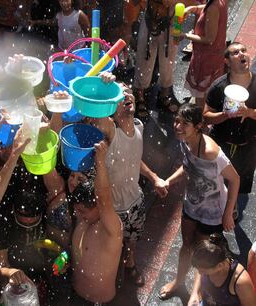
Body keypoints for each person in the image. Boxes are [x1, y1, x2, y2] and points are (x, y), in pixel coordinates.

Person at [90, 80, 168, 287]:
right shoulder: (110, 130)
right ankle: (111, 273)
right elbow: (95, 115)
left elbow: (135, 158)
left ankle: (130, 263)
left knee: (132, 242)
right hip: (110, 209)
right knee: (110, 246)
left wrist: (154, 178)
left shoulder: (139, 126)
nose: (126, 98)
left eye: (128, 94)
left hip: (135, 202)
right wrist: (103, 86)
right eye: (119, 96)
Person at [159, 103, 240, 300]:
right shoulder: (184, 140)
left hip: (213, 212)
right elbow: (188, 166)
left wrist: (228, 213)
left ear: (198, 126)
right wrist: (169, 180)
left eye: (185, 123)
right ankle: (178, 282)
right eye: (177, 121)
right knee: (186, 244)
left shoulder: (211, 152)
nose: (178, 127)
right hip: (192, 204)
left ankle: (197, 292)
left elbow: (235, 179)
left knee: (203, 253)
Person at [69, 141, 123, 305]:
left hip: (99, 302)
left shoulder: (112, 229)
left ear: (97, 207)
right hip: (76, 295)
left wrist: (100, 160)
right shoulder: (84, 217)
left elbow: (104, 198)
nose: (79, 215)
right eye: (78, 210)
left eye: (83, 211)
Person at [204, 42, 256, 195]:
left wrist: (250, 113)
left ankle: (232, 209)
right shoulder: (219, 86)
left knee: (239, 184)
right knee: (216, 183)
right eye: (235, 52)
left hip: (248, 147)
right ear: (227, 61)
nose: (241, 54)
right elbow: (206, 117)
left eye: (244, 50)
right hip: (222, 145)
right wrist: (224, 115)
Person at [133, 0, 195, 118]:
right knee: (144, 59)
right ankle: (139, 96)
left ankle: (164, 94)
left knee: (169, 60)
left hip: (174, 18)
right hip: (150, 18)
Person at [175, 0, 227, 108]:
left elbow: (209, 39)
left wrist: (184, 35)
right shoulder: (218, 2)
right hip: (213, 56)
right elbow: (207, 9)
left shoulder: (213, 7)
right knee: (207, 93)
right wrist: (193, 9)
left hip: (206, 59)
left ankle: (201, 120)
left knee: (202, 97)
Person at [188, 234, 256, 306]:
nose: (199, 273)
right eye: (198, 269)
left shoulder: (241, 282)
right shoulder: (204, 265)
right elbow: (199, 270)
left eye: (203, 271)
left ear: (220, 266)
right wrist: (195, 293)